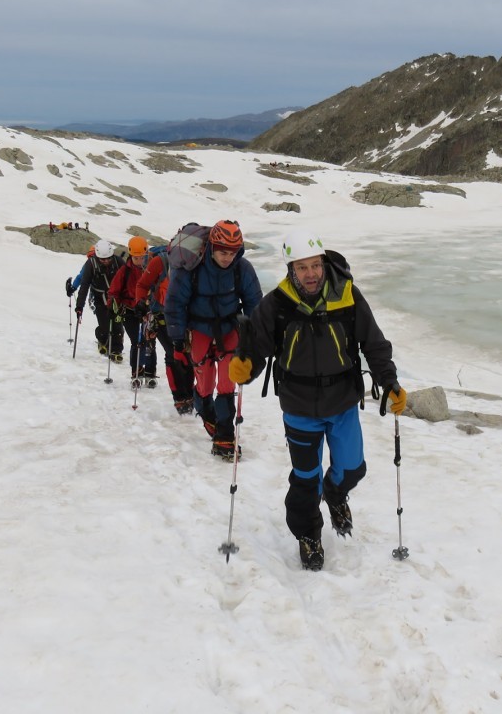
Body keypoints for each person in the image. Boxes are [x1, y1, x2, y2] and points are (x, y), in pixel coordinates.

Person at [227, 228, 406, 571]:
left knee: (353, 468)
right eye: (301, 267)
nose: (310, 274)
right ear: (291, 270)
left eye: (315, 266)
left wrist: (390, 382)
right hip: (298, 406)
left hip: (342, 403)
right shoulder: (277, 304)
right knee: (305, 480)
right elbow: (256, 348)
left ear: (323, 264)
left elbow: (374, 343)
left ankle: (336, 493)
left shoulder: (348, 296)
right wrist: (244, 367)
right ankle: (308, 534)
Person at [165, 220, 262, 456]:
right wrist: (178, 341)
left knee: (228, 381)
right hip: (198, 329)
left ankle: (225, 434)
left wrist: (251, 336)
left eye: (233, 252)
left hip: (229, 328)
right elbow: (175, 303)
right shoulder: (192, 267)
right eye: (222, 252)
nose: (227, 257)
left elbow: (254, 302)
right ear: (211, 247)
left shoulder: (243, 269)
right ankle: (208, 415)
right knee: (205, 381)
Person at [136, 244, 195, 413]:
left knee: (188, 356)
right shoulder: (159, 262)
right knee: (174, 354)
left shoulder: (197, 262)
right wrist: (141, 302)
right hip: (161, 316)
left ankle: (187, 396)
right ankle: (180, 397)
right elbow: (143, 285)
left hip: (186, 317)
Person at [108, 236, 158, 386]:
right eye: (136, 258)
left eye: (141, 257)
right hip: (129, 311)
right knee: (137, 342)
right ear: (130, 255)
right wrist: (112, 306)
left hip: (148, 311)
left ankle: (150, 372)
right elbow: (113, 290)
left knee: (150, 341)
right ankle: (136, 372)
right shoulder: (124, 271)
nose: (139, 261)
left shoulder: (151, 269)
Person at [74, 240, 124, 360]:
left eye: (108, 258)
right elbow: (85, 285)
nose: (106, 261)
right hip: (99, 298)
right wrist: (79, 306)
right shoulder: (91, 264)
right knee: (104, 325)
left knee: (117, 325)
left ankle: (116, 351)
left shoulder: (118, 262)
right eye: (103, 259)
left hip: (117, 298)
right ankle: (102, 340)